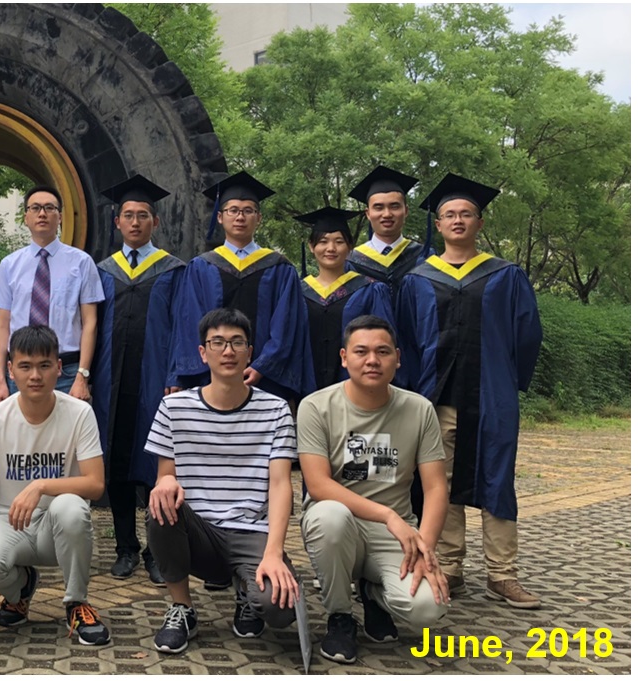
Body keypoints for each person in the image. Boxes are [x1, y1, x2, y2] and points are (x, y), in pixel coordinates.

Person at [397, 173, 542, 609]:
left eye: (466, 214)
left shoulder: (506, 275)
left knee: (498, 478)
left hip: (492, 396)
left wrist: (509, 382)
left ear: (479, 222)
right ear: (438, 224)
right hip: (436, 397)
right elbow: (407, 341)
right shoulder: (418, 279)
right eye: (449, 214)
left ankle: (502, 574)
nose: (457, 220)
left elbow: (527, 335)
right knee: (438, 480)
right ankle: (449, 567)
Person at [144, 308, 299, 655]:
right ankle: (182, 608)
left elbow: (280, 485)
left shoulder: (276, 410)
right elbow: (165, 475)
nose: (228, 351)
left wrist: (274, 553)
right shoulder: (174, 407)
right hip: (199, 531)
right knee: (159, 507)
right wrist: (164, 482)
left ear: (249, 352)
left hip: (251, 531)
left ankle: (247, 591)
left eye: (236, 343)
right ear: (203, 353)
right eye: (218, 343)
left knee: (280, 609)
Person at [298, 315, 450, 665]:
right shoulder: (316, 407)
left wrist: (425, 548)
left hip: (394, 535)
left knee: (429, 608)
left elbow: (436, 487)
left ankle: (373, 592)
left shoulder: (420, 410)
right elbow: (318, 485)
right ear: (344, 357)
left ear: (398, 358)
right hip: (340, 524)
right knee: (330, 517)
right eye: (361, 351)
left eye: (382, 352)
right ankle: (340, 616)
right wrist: (387, 515)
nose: (372, 360)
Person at [0, 325, 112, 646]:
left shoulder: (79, 414)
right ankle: (20, 588)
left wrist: (41, 485)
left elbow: (96, 484)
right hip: (8, 520)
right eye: (25, 366)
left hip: (58, 526)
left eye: (44, 365)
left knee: (71, 507)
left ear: (58, 368)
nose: (35, 375)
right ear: (10, 370)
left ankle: (76, 602)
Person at [91, 174, 185, 584]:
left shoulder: (173, 270)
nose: (135, 222)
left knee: (155, 463)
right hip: (110, 380)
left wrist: (176, 374)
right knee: (117, 461)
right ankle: (125, 548)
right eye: (128, 215)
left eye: (143, 215)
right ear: (117, 222)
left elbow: (183, 328)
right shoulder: (101, 271)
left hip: (155, 380)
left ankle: (155, 550)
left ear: (155, 222)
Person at [171, 171, 314, 401]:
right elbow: (189, 322)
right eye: (233, 210)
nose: (240, 217)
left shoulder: (279, 267)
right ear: (220, 217)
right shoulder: (201, 267)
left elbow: (286, 323)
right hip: (210, 378)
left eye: (248, 211)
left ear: (259, 218)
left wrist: (262, 366)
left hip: (264, 381)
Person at [0, 186, 104, 404]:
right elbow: (1, 325)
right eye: (35, 208)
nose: (42, 214)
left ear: (60, 217)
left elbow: (90, 322)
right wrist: (0, 380)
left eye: (49, 208)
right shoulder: (9, 265)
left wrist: (82, 376)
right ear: (26, 217)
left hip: (66, 372)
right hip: (20, 371)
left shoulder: (81, 262)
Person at [295, 207, 395, 391]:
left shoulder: (369, 290)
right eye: (323, 241)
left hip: (359, 390)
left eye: (339, 241)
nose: (331, 248)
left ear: (350, 247)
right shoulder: (298, 292)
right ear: (311, 246)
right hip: (305, 389)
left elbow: (384, 341)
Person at [345, 166, 431, 299]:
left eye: (394, 206)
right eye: (378, 207)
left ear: (406, 211)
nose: (387, 214)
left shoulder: (424, 256)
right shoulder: (352, 260)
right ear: (368, 213)